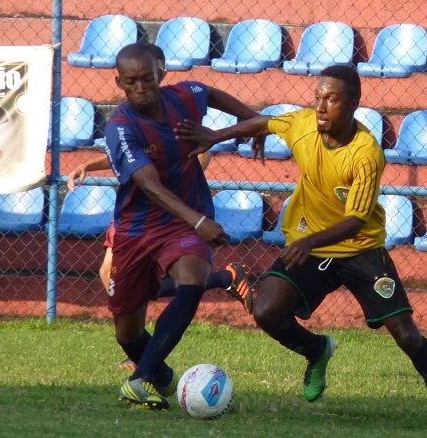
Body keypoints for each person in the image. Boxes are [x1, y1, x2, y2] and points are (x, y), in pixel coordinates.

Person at [175, 65, 427, 433]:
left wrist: (311, 241)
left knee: (407, 335)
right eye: (317, 97)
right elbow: (265, 122)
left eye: (331, 99)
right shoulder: (304, 126)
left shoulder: (366, 155)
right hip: (312, 246)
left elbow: (357, 220)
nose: (320, 106)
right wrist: (216, 135)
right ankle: (316, 351)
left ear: (353, 104)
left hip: (360, 249)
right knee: (266, 310)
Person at [104, 42, 261, 410]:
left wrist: (255, 123)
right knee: (127, 332)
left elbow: (214, 96)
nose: (140, 88)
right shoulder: (121, 128)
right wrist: (201, 221)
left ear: (162, 74)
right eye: (131, 82)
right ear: (119, 82)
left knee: (191, 280)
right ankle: (161, 377)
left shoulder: (186, 96)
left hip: (183, 221)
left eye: (147, 78)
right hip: (137, 229)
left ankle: (139, 379)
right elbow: (148, 184)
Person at [67, 155, 253, 371]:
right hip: (133, 209)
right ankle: (225, 278)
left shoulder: (175, 127)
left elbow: (203, 154)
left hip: (162, 212)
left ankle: (143, 358)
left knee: (138, 282)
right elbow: (124, 151)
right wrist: (86, 165)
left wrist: (172, 182)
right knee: (109, 274)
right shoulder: (133, 127)